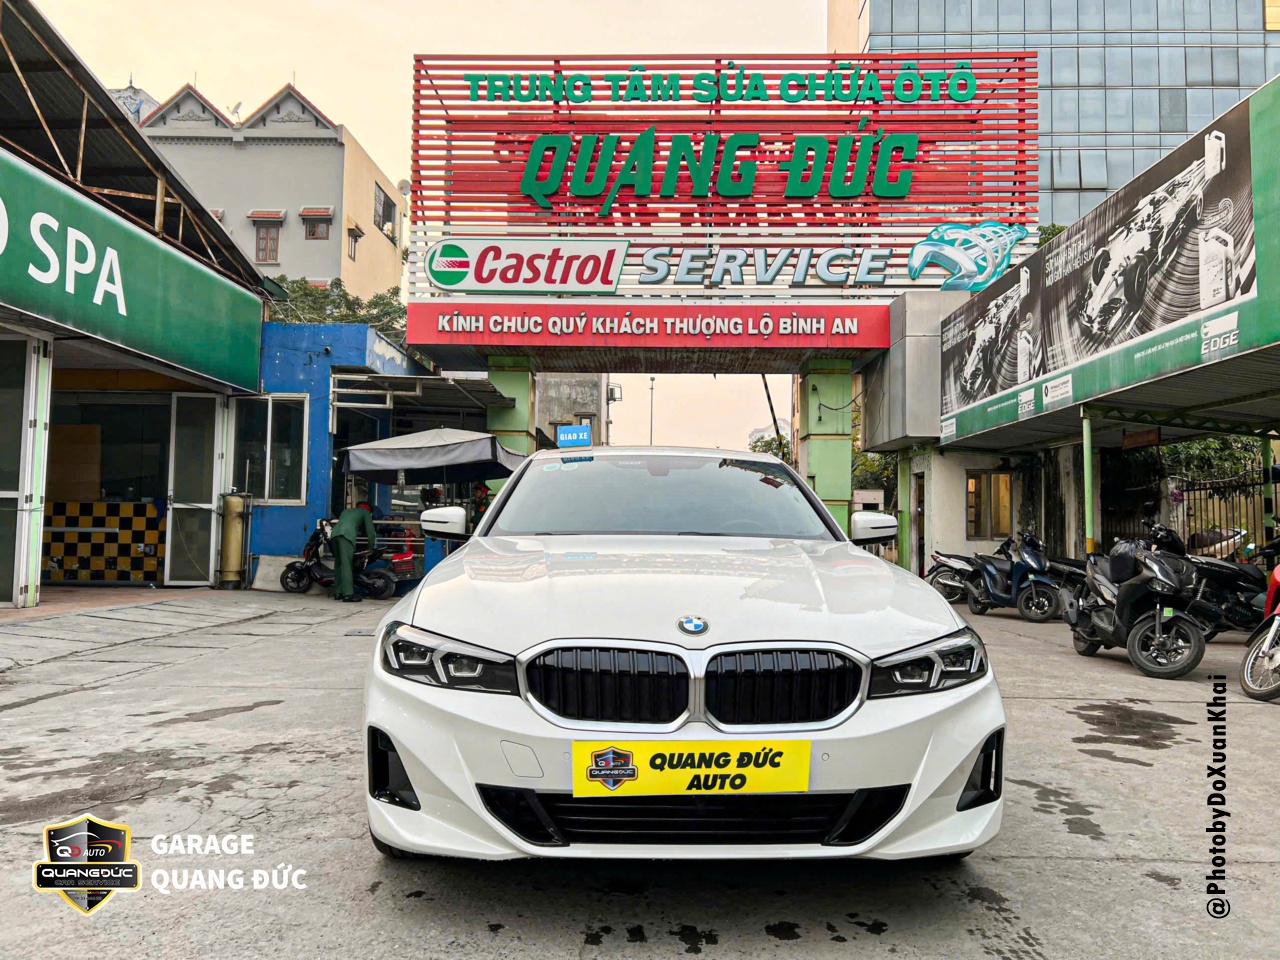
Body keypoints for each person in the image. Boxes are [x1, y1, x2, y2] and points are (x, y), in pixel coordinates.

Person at [330, 500, 377, 603]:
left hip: (334, 535)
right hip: (346, 536)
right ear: (369, 510)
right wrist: (370, 547)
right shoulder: (365, 513)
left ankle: (338, 592)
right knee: (347, 565)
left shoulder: (346, 511)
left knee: (338, 564)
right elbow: (370, 531)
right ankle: (348, 594)